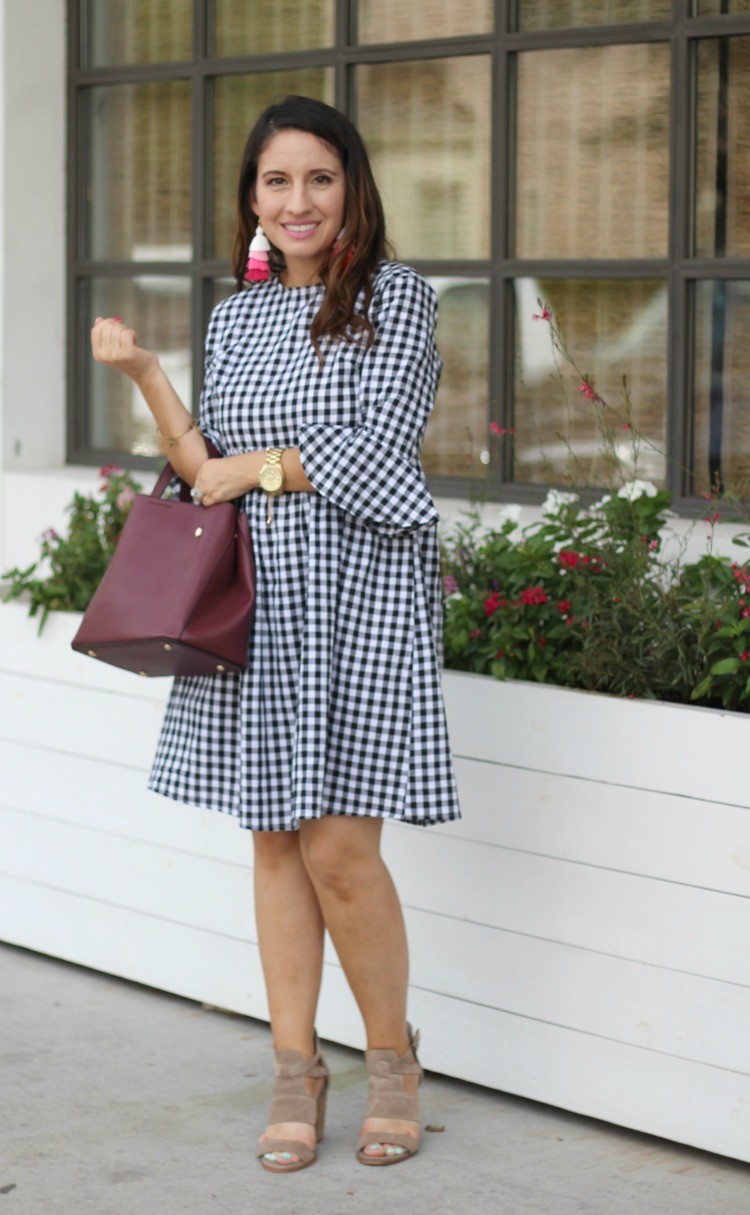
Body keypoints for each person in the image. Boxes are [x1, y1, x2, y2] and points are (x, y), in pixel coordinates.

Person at [91, 94, 461, 1174]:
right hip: (260, 599)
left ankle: (392, 1062)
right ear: (251, 199)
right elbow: (201, 465)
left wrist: (255, 467)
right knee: (272, 843)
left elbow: (379, 454)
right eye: (275, 182)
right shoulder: (234, 316)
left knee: (343, 852)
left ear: (353, 188)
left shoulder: (399, 300)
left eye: (319, 179)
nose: (297, 201)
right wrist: (150, 377)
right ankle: (294, 1070)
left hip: (360, 598)